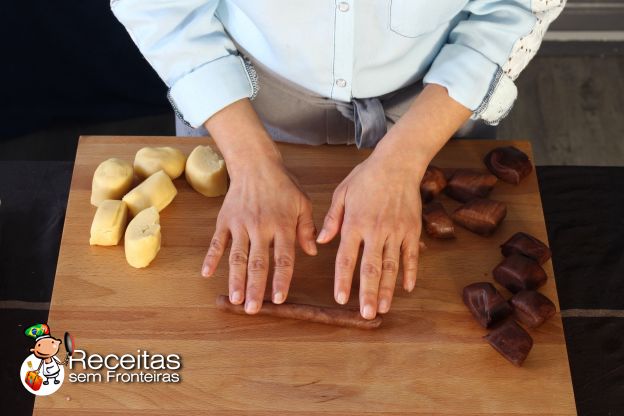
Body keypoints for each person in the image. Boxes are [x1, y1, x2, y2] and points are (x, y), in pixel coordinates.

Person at [111, 1, 565, 320]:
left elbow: (522, 6)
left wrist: (405, 159)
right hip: (239, 102)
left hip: (435, 104)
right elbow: (158, 7)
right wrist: (249, 161)